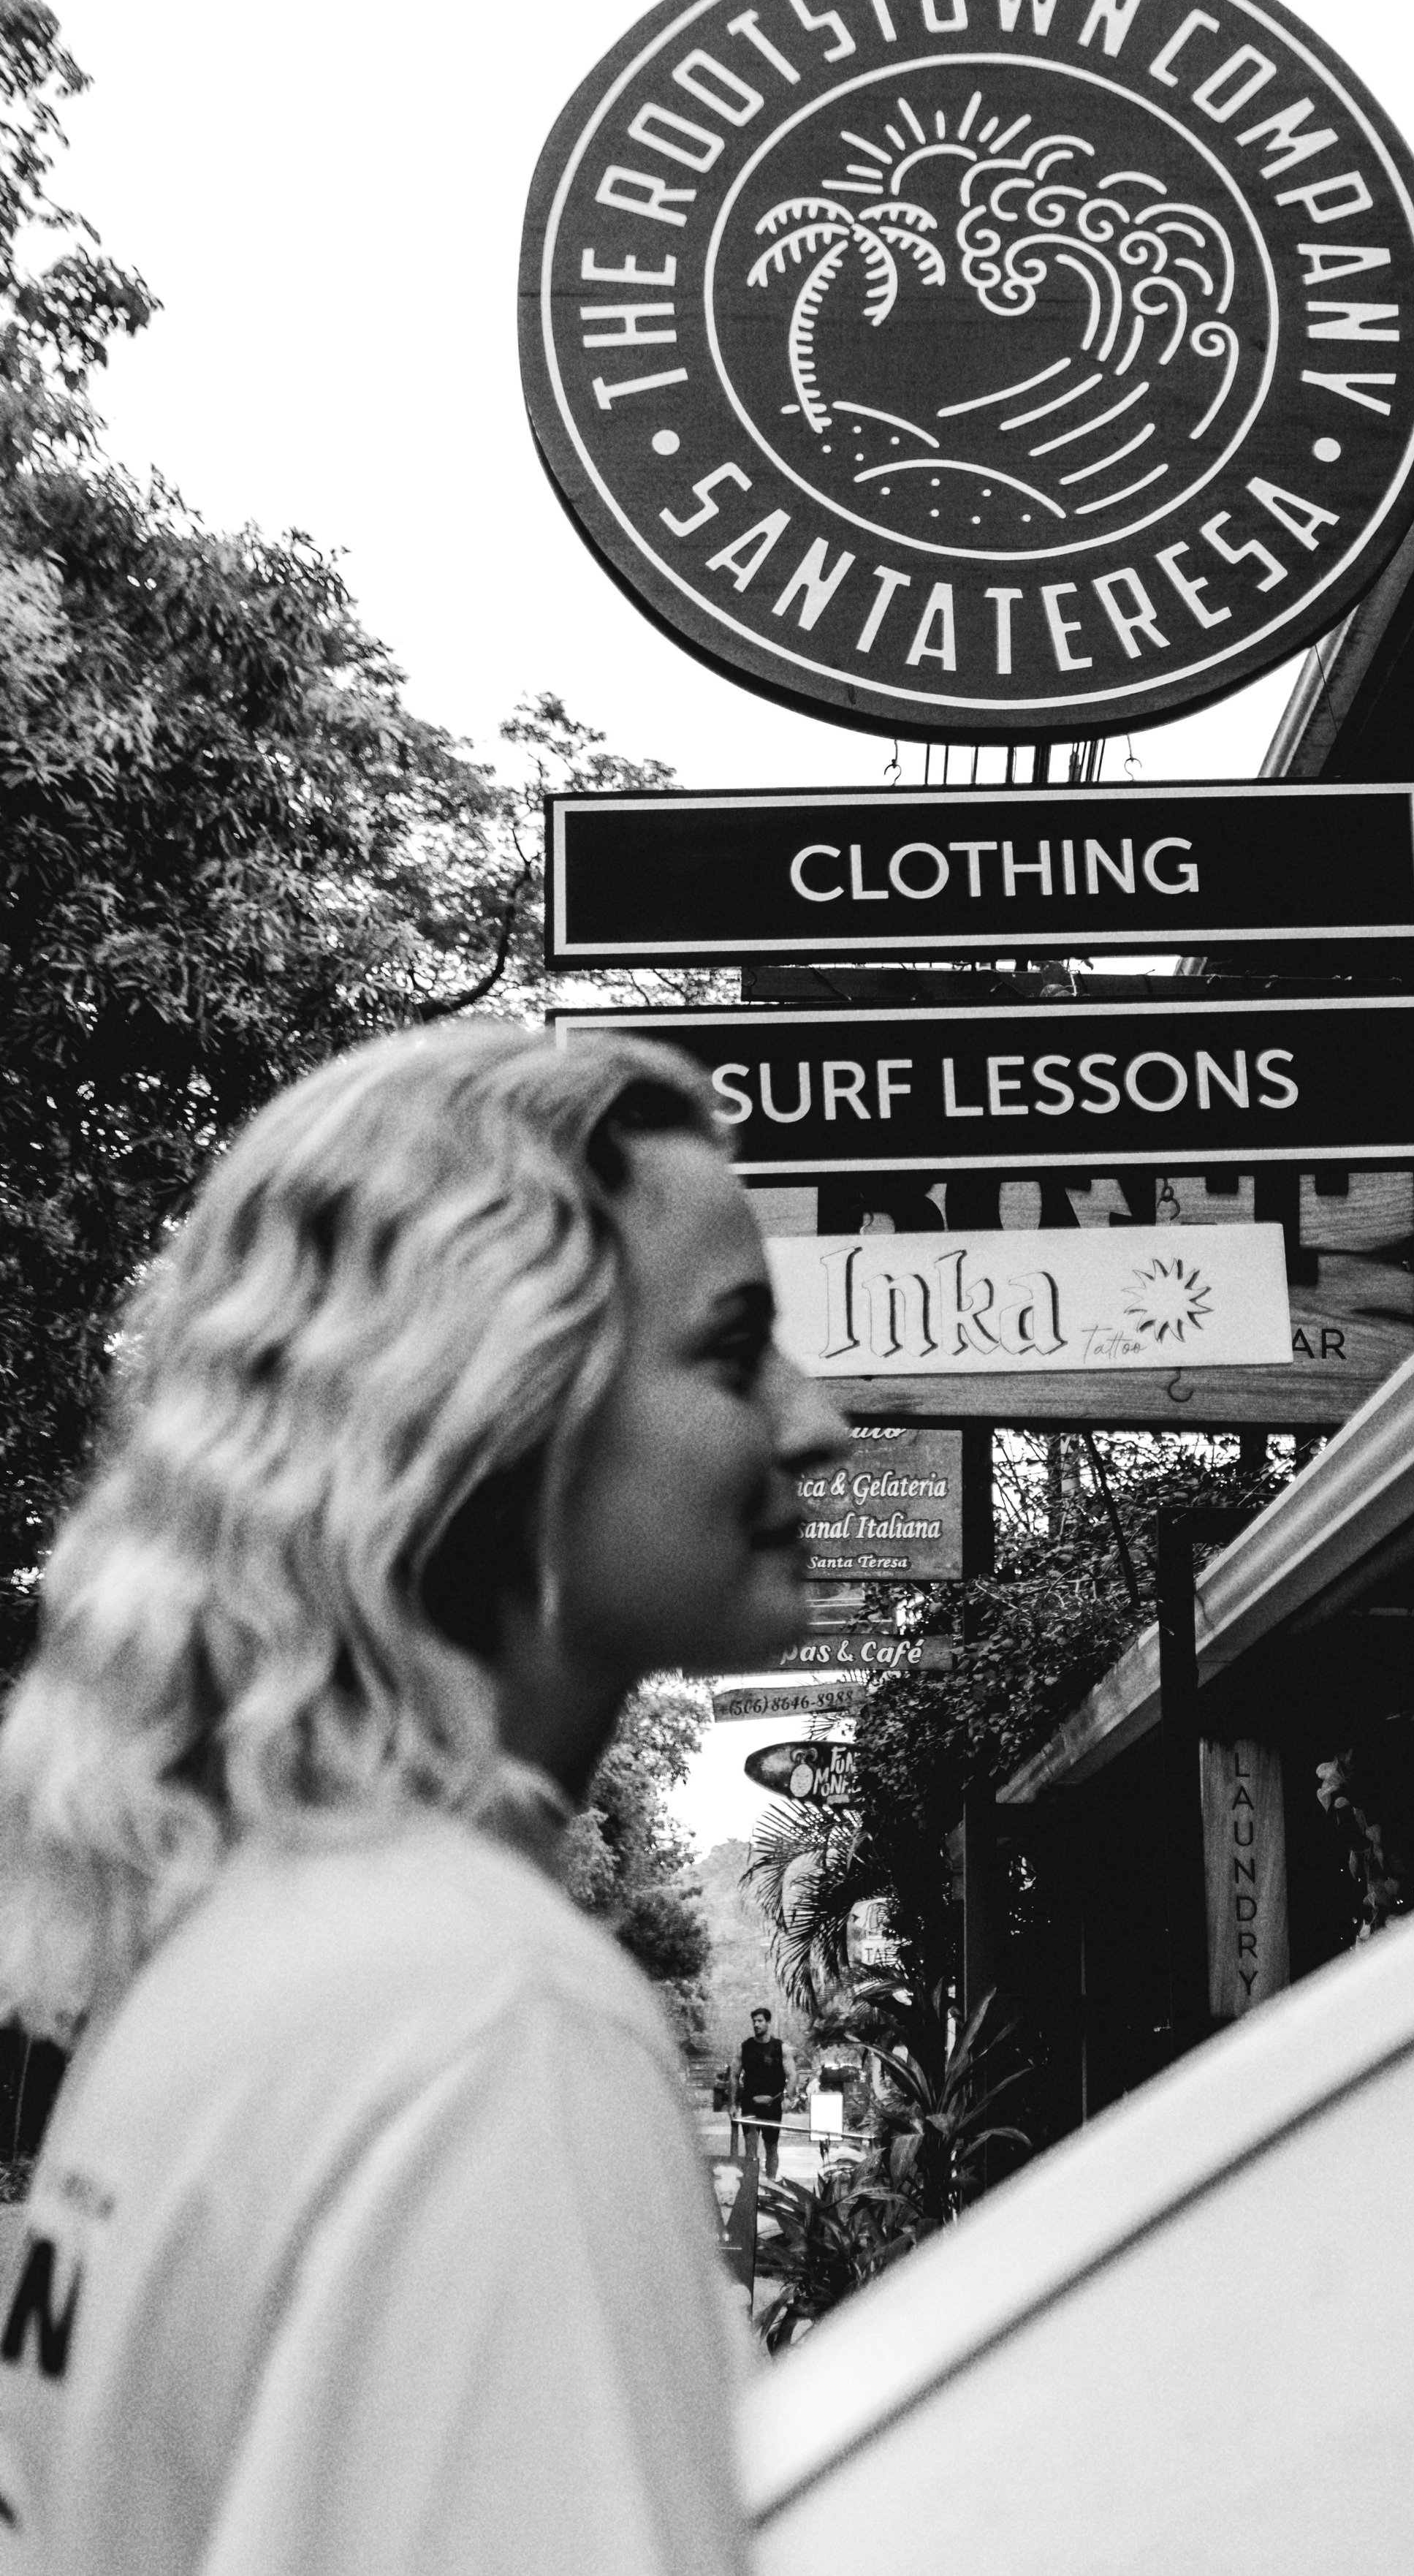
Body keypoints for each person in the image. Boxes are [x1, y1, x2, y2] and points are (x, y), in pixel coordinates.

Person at [0, 1022, 845, 2574]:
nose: (817, 1421)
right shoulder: (491, 2022)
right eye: (730, 1352)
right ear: (494, 1418)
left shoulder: (225, 1954)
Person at [735, 2008, 791, 2174]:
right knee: (751, 2152)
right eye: (754, 2021)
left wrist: (788, 2097)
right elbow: (734, 2075)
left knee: (771, 2149)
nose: (756, 2024)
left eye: (760, 2021)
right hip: (750, 2104)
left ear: (768, 2023)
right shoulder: (745, 2047)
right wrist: (732, 2103)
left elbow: (793, 2074)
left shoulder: (781, 2048)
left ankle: (772, 2185)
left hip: (772, 2105)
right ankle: (753, 2192)